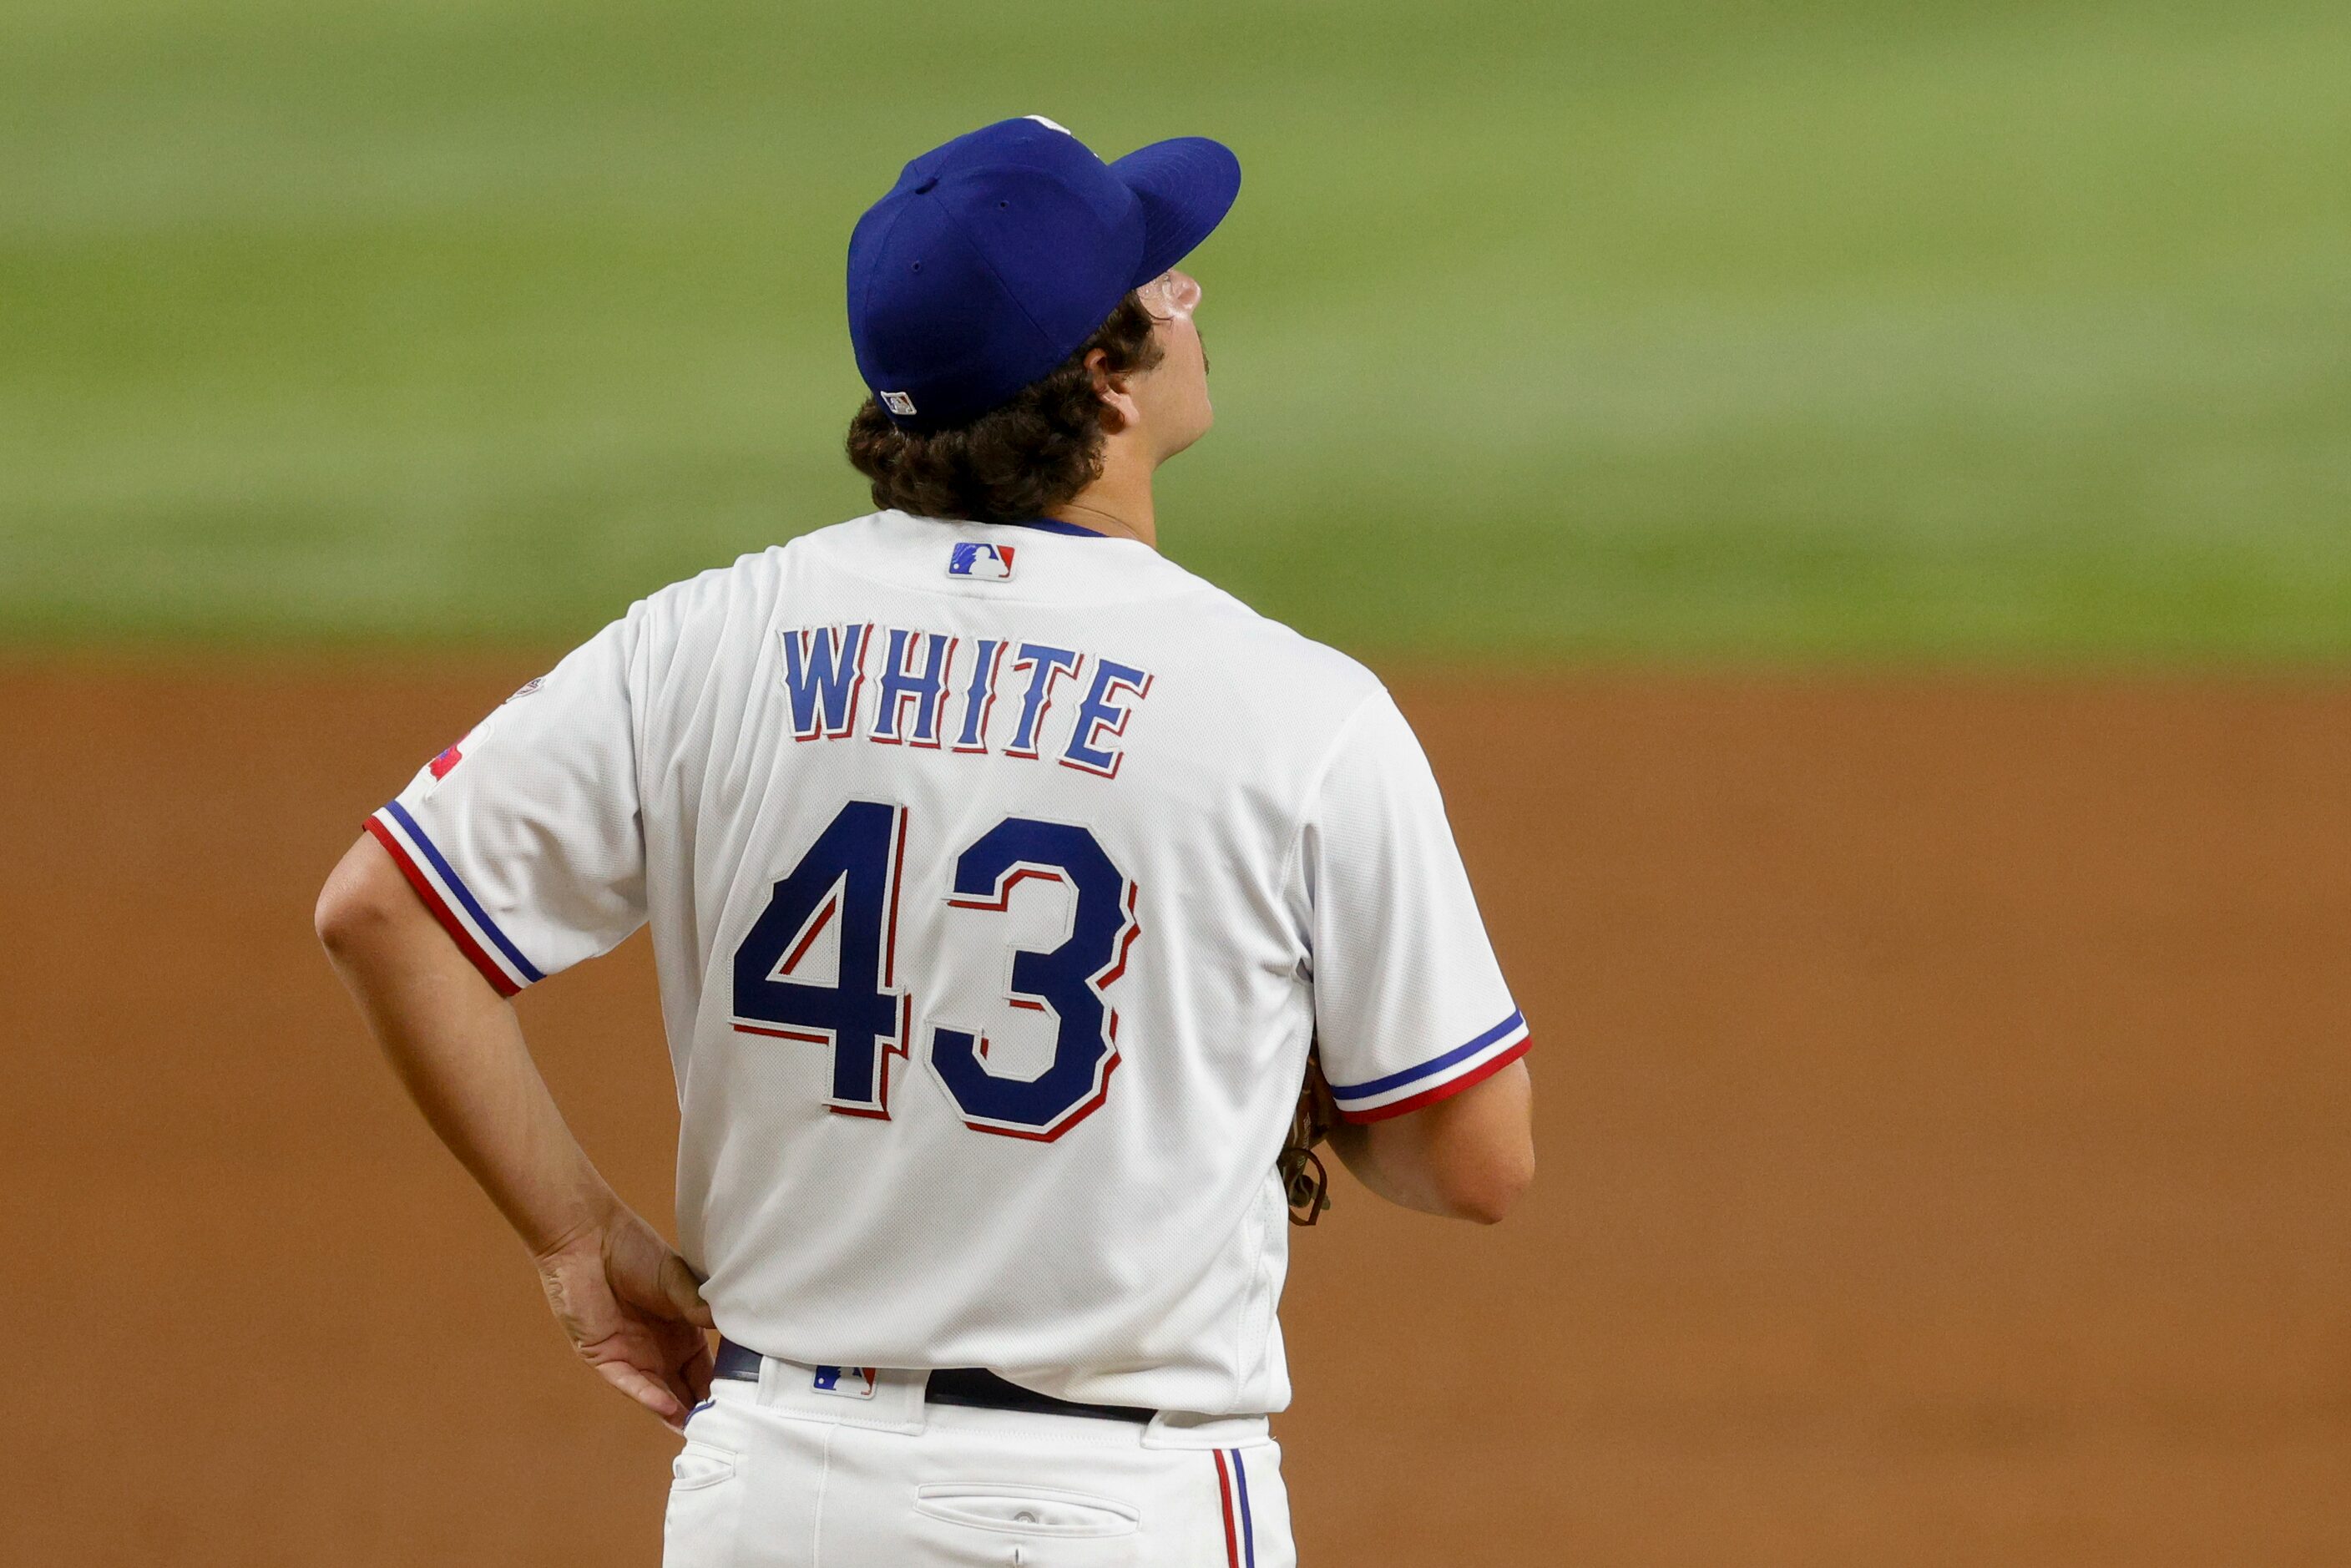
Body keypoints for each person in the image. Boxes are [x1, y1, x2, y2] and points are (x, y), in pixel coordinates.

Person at [316, 114, 1534, 1568]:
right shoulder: (1298, 710)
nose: (1191, 298)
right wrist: (1259, 1069)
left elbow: (384, 906)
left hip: (767, 1489)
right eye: (1164, 283)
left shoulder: (709, 637)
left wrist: (581, 1245)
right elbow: (1475, 1156)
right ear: (1104, 377)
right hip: (1107, 1510)